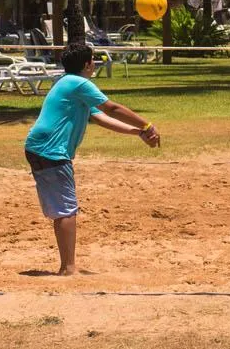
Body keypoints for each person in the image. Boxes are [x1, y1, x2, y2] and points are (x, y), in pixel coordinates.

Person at [24, 41, 159, 276]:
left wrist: (137, 133)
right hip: (51, 150)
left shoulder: (66, 83)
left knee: (61, 208)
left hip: (37, 148)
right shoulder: (79, 83)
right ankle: (68, 268)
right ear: (87, 64)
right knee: (66, 209)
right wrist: (146, 124)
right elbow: (112, 108)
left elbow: (99, 117)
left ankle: (66, 264)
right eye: (93, 59)